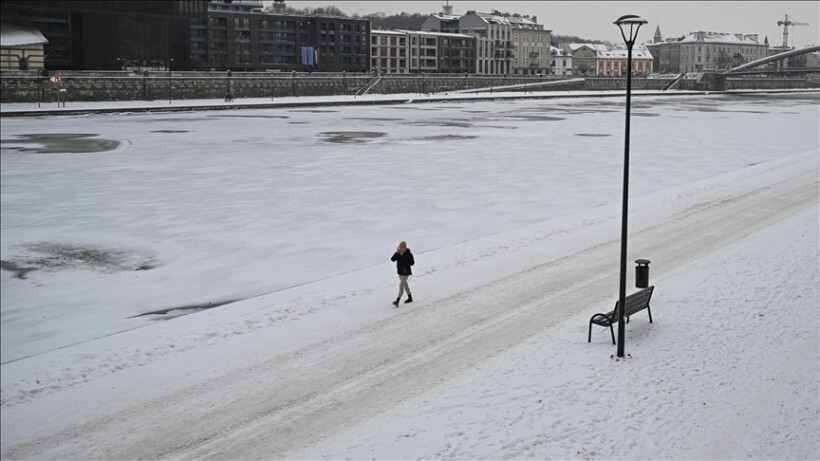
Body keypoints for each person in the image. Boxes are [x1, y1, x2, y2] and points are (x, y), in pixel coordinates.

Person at [390, 241, 414, 306]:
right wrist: (396, 252)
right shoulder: (398, 253)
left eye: (401, 247)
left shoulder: (409, 254)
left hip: (406, 273)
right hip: (400, 273)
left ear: (405, 247)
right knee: (405, 285)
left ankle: (397, 301)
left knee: (401, 286)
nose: (400, 248)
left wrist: (405, 264)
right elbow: (392, 259)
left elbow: (412, 262)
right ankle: (410, 298)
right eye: (399, 247)